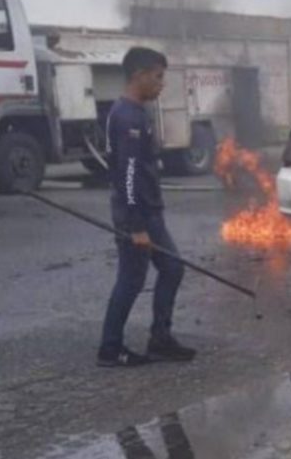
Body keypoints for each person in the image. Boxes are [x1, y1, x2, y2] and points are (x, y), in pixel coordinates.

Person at [98, 47, 196, 367]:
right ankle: (110, 349)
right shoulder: (128, 117)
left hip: (147, 210)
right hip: (137, 213)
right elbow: (127, 176)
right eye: (158, 77)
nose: (161, 84)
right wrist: (136, 226)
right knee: (131, 279)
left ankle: (160, 339)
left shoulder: (135, 112)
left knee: (171, 268)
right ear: (139, 75)